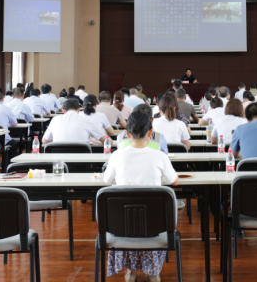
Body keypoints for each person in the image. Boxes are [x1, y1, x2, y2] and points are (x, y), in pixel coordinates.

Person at [103, 110, 179, 282]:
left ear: (127, 134)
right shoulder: (160, 156)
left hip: (121, 226)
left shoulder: (116, 156)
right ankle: (153, 273)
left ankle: (130, 271)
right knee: (150, 215)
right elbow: (174, 181)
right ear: (150, 132)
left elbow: (107, 180)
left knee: (127, 213)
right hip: (154, 226)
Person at [42, 98, 109, 145]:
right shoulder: (86, 121)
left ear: (63, 111)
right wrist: (93, 139)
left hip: (59, 159)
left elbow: (44, 141)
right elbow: (108, 141)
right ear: (79, 110)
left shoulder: (55, 120)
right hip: (81, 160)